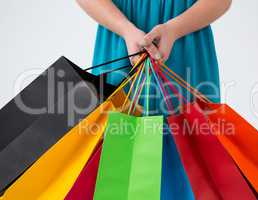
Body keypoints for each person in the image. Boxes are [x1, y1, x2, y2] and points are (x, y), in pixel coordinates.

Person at [77, 0, 231, 199]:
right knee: (117, 166)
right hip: (121, 37)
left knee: (190, 161)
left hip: (185, 39)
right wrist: (125, 29)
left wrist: (174, 29)